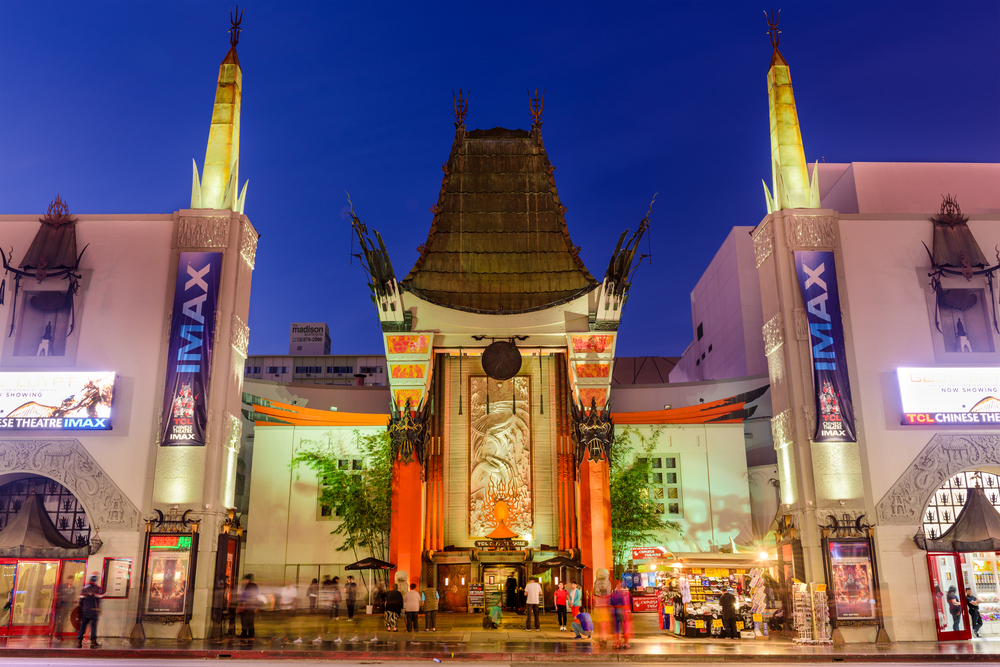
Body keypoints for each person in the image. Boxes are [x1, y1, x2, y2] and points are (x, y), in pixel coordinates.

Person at [76, 574, 102, 649]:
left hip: (85, 610)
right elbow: (99, 600)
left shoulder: (84, 589)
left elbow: (81, 600)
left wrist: (80, 610)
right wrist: (99, 609)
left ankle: (79, 641)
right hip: (93, 610)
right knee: (93, 626)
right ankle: (93, 642)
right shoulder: (98, 589)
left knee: (83, 626)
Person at [610, 581, 632, 648]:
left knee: (617, 628)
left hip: (615, 611)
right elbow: (624, 603)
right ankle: (625, 644)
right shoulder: (623, 594)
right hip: (623, 611)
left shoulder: (613, 594)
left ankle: (616, 643)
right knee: (625, 627)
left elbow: (611, 603)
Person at [238, 574, 260, 640]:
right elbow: (258, 595)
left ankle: (244, 633)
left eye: (244, 580)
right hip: (253, 606)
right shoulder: (255, 586)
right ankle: (251, 634)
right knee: (251, 621)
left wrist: (242, 606)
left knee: (244, 621)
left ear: (247, 580)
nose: (243, 581)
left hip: (247, 606)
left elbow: (245, 597)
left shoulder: (247, 586)